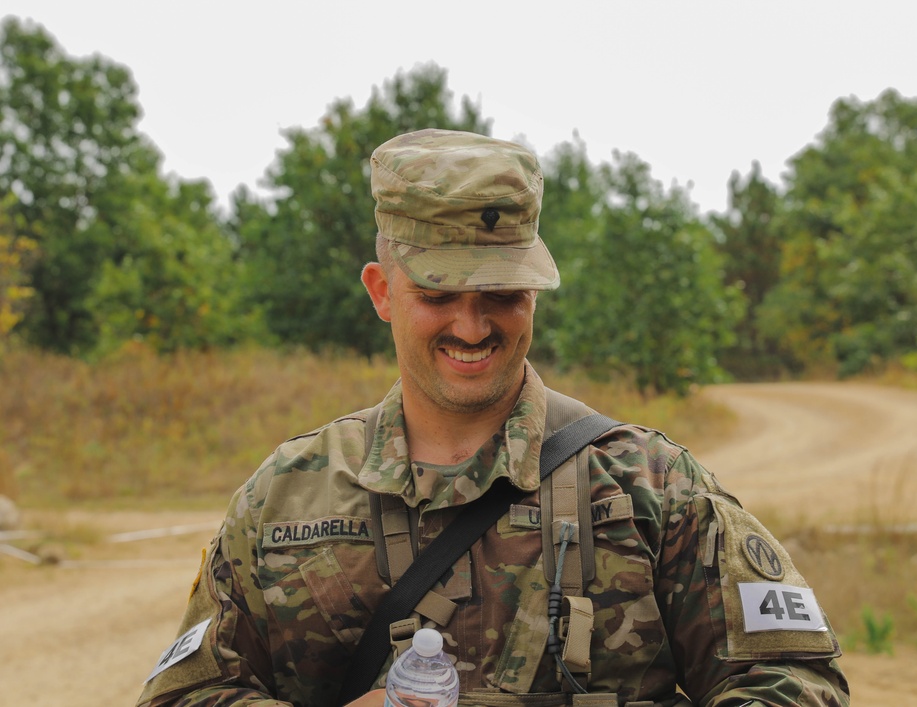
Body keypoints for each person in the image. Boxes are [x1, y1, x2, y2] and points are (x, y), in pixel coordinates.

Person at [137, 129, 850, 706]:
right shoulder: (287, 496)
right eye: (440, 294)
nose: (472, 326)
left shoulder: (648, 487)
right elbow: (184, 693)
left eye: (502, 292)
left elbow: (797, 679)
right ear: (382, 291)